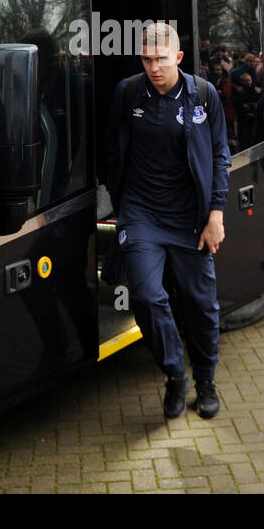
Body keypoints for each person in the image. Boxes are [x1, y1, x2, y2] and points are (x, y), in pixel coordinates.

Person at [105, 23, 230, 419]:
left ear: (178, 57)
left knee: (201, 304)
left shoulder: (203, 96)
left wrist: (216, 213)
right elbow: (111, 148)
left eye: (161, 59)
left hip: (190, 219)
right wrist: (121, 203)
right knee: (145, 295)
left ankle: (206, 380)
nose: (153, 67)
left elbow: (221, 155)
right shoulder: (127, 93)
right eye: (146, 58)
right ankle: (176, 374)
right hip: (141, 214)